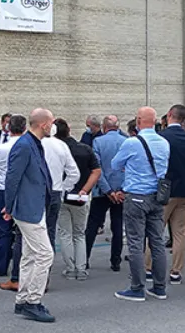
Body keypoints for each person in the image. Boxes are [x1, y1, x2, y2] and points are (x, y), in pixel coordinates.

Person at [111, 107, 170, 302]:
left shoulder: (132, 142)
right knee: (157, 242)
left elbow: (115, 164)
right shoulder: (164, 143)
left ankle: (137, 288)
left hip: (136, 196)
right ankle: (159, 287)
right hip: (157, 196)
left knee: (136, 243)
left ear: (138, 120)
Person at [3, 108, 55, 323]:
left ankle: (23, 299)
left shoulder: (33, 143)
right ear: (43, 124)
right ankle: (32, 301)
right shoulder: (25, 145)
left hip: (34, 206)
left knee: (30, 255)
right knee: (45, 254)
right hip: (28, 208)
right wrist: (9, 206)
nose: (53, 126)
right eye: (51, 122)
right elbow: (12, 177)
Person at [145, 105, 185, 285]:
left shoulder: (160, 138)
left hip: (164, 190)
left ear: (169, 115)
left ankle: (148, 267)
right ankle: (176, 271)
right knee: (180, 232)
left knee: (155, 229)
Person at [54, 119, 101, 280]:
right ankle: (81, 268)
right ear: (69, 129)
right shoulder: (84, 149)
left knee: (65, 233)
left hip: (61, 194)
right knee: (79, 233)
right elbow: (96, 171)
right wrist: (85, 189)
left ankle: (70, 268)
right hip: (80, 196)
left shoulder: (53, 151)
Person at [0, 115, 27, 277]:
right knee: (24, 230)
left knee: (3, 230)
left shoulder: (0, 148)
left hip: (3, 191)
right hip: (22, 191)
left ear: (8, 129)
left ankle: (1, 266)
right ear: (24, 129)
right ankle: (21, 268)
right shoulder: (28, 147)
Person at [86, 115, 126, 272]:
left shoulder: (98, 142)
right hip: (121, 191)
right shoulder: (127, 142)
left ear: (104, 127)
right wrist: (121, 190)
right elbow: (129, 168)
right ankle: (116, 261)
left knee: (92, 225)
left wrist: (107, 190)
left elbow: (97, 168)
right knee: (118, 226)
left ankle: (84, 259)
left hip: (102, 191)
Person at [42, 123, 80, 251]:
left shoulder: (35, 144)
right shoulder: (61, 145)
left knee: (32, 233)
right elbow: (74, 173)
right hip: (56, 191)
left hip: (38, 192)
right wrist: (63, 188)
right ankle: (48, 260)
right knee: (50, 230)